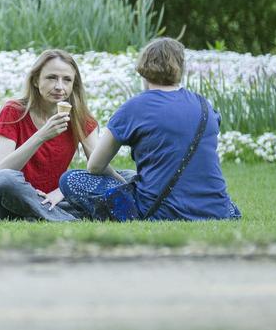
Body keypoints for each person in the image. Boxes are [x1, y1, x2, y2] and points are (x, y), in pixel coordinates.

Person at [59, 37, 241, 220]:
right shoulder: (204, 105)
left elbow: (95, 165)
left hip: (160, 211)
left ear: (143, 67)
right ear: (180, 68)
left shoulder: (134, 108)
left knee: (72, 179)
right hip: (219, 210)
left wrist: (122, 182)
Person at [0, 49, 133, 221]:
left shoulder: (80, 118)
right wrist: (41, 136)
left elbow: (97, 167)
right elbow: (2, 170)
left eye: (67, 80)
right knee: (4, 181)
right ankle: (70, 220)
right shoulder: (14, 111)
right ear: (35, 80)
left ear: (73, 85)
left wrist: (61, 192)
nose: (59, 86)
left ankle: (42, 217)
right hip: (16, 196)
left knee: (130, 177)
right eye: (51, 78)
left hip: (55, 200)